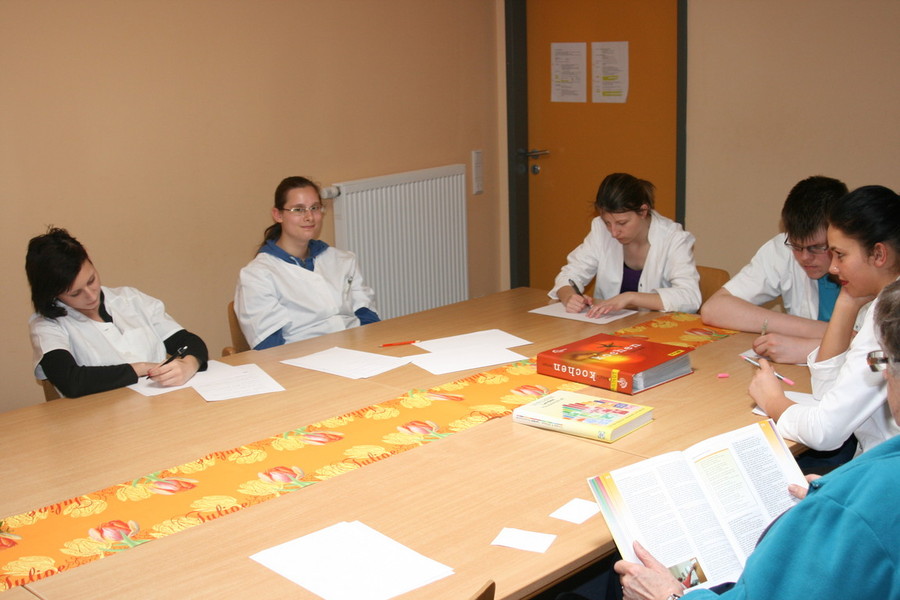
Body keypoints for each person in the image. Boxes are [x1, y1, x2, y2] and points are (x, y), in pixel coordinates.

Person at [611, 277, 900, 600]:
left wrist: (668, 596)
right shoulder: (874, 485)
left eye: (884, 360)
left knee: (627, 576)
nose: (883, 373)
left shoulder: (872, 498)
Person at [751, 185, 900, 457]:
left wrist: (772, 400)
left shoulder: (889, 315)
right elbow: (827, 394)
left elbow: (825, 431)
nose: (833, 267)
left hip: (885, 469)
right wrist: (847, 300)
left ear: (878, 254)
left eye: (840, 255)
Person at [27, 228, 209, 399]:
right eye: (75, 293)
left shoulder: (130, 299)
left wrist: (189, 365)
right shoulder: (47, 324)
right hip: (100, 415)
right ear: (53, 294)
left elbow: (189, 342)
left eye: (91, 280)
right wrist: (143, 368)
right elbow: (72, 382)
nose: (91, 295)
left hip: (160, 404)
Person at [700, 175, 849, 364]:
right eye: (797, 246)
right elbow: (714, 309)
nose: (804, 257)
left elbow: (876, 349)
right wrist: (819, 331)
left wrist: (807, 348)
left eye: (817, 247)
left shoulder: (868, 265)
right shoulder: (782, 249)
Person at [234, 176, 380, 350]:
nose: (309, 217)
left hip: (357, 351)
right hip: (302, 358)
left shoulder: (342, 259)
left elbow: (366, 314)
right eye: (298, 209)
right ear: (278, 215)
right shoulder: (257, 275)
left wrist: (370, 347)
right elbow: (269, 346)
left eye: (315, 208)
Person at [550, 173, 701, 316]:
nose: (614, 232)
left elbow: (690, 297)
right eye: (607, 223)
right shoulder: (600, 229)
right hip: (608, 326)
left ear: (643, 211)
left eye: (622, 223)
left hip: (657, 327)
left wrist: (630, 298)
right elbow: (570, 275)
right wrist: (569, 297)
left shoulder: (673, 238)